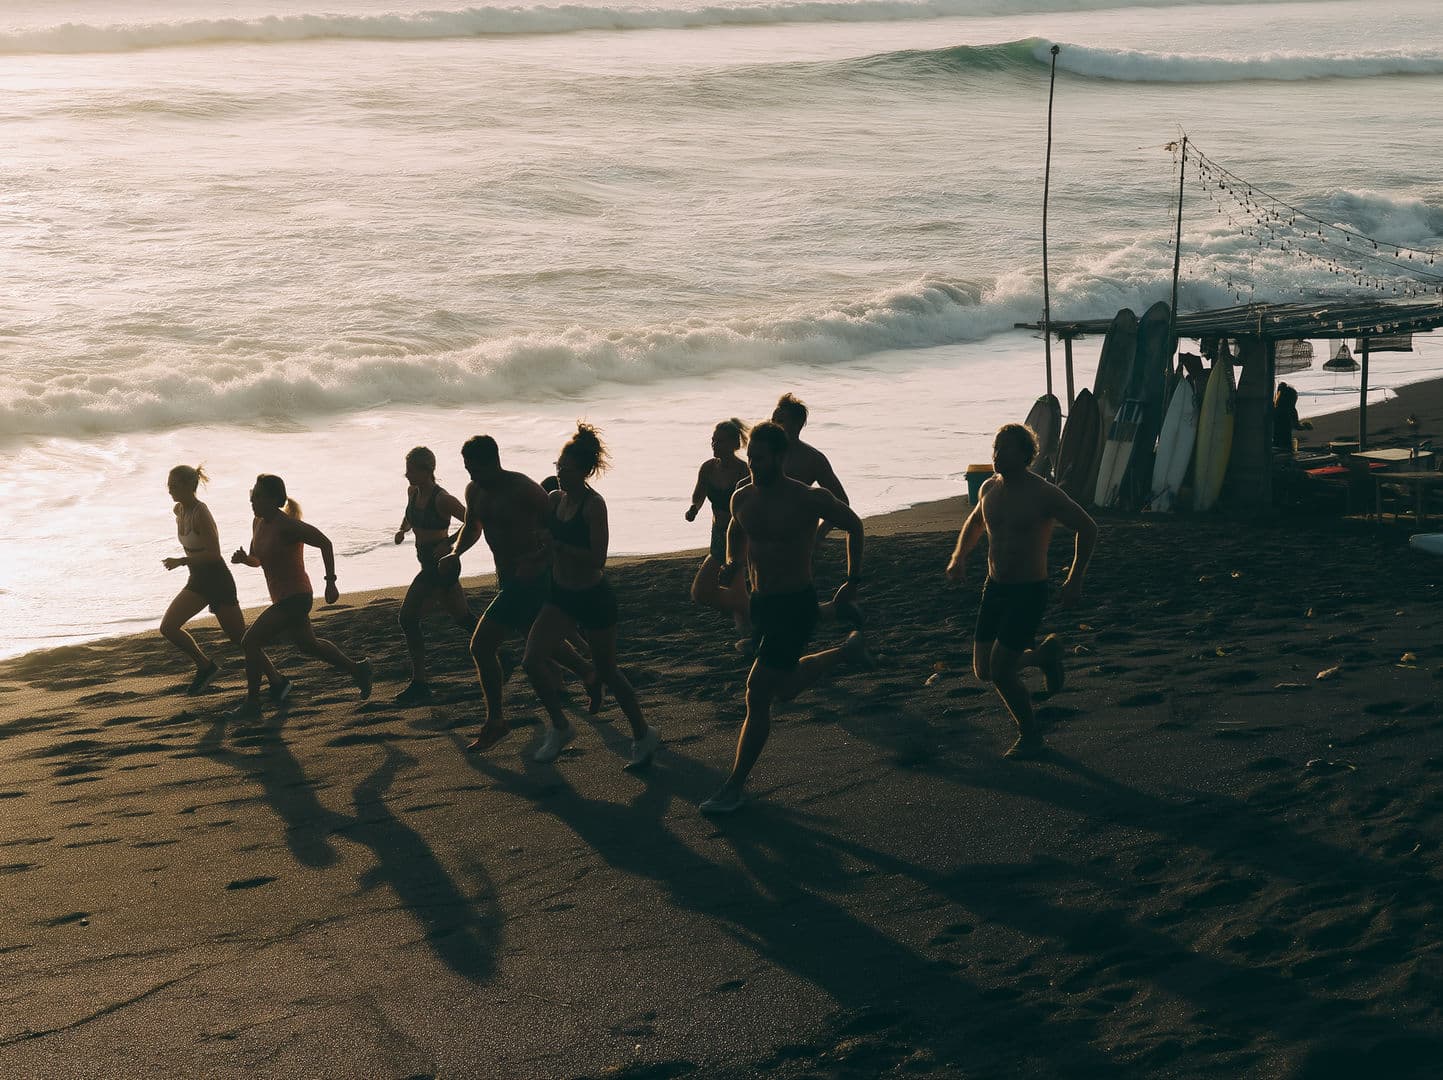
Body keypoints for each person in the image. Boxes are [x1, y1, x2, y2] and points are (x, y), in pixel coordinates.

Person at [699, 421, 868, 815]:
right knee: (785, 688)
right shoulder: (742, 498)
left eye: (759, 458)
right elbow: (735, 533)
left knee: (756, 692)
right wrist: (730, 564)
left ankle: (734, 787)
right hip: (763, 605)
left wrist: (852, 581)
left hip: (795, 602)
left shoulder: (810, 499)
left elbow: (855, 527)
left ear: (779, 457)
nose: (753, 465)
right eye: (750, 458)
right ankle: (846, 651)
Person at [440, 436, 601, 754]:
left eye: (475, 468)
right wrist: (455, 553)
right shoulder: (474, 490)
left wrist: (542, 562)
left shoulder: (525, 490)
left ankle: (497, 721)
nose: (470, 475)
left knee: (482, 645)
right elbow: (473, 527)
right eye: (466, 468)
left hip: (533, 580)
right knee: (538, 640)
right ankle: (589, 672)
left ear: (493, 462)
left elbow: (556, 531)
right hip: (507, 579)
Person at [945, 424, 1098, 759]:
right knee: (983, 670)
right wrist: (959, 557)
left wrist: (1075, 579)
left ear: (1026, 455)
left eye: (1005, 449)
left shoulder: (1043, 493)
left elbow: (1088, 527)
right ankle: (1043, 656)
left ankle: (1031, 736)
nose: (997, 454)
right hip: (994, 587)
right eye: (995, 447)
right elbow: (975, 523)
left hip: (1029, 591)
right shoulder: (988, 488)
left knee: (1001, 671)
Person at [519, 424, 660, 767]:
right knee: (531, 660)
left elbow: (598, 559)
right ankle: (561, 726)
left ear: (583, 470)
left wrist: (560, 546)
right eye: (557, 466)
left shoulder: (594, 506)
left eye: (565, 468)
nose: (559, 472)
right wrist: (535, 558)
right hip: (560, 596)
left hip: (593, 596)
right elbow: (547, 546)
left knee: (608, 672)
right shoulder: (555, 500)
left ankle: (643, 733)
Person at [228, 474, 372, 720]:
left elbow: (325, 543)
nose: (252, 500)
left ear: (274, 499)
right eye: (252, 495)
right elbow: (259, 560)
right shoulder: (257, 523)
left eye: (258, 496)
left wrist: (331, 583)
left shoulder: (288, 526)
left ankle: (252, 703)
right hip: (282, 598)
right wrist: (245, 560)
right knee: (309, 645)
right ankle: (358, 669)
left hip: (296, 597)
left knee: (250, 641)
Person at [159, 464, 279, 694]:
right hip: (198, 580)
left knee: (242, 639)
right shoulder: (179, 510)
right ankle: (205, 666)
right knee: (168, 627)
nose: (169, 489)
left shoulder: (201, 513)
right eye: (168, 484)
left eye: (173, 484)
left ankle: (277, 680)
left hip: (217, 580)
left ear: (187, 486)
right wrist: (185, 563)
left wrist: (181, 561)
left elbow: (214, 554)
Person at [392, 446, 475, 704]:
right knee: (463, 619)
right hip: (426, 564)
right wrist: (402, 530)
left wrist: (449, 543)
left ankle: (420, 683)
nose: (406, 475)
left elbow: (473, 521)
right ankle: (503, 655)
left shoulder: (442, 499)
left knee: (407, 618)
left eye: (411, 470)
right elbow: (409, 515)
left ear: (426, 470)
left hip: (440, 567)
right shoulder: (412, 492)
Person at [686, 419, 752, 640]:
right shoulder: (708, 468)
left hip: (738, 537)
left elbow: (748, 505)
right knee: (701, 592)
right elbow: (699, 493)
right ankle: (748, 610)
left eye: (720, 441)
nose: (714, 445)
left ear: (734, 443)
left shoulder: (743, 471)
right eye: (713, 440)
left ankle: (749, 632)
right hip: (717, 536)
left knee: (735, 587)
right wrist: (694, 508)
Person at [1272, 382, 1310, 451]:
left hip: (1274, 444)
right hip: (1286, 443)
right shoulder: (1291, 410)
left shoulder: (1274, 409)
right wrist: (1305, 426)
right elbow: (1297, 426)